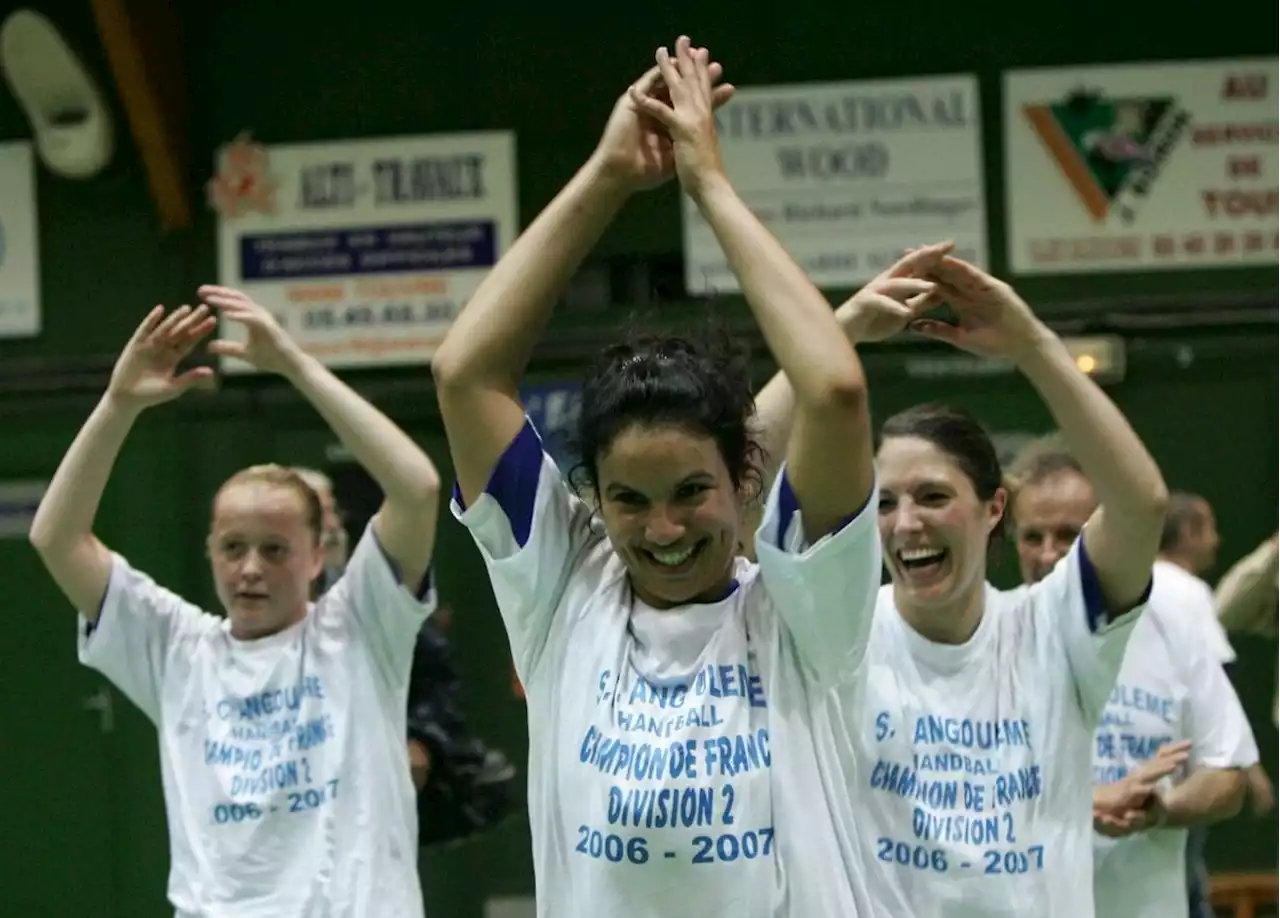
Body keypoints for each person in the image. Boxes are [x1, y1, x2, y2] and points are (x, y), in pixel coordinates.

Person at [431, 36, 888, 917]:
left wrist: (709, 185)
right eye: (629, 501)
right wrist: (605, 175)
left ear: (744, 480)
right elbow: (465, 375)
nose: (664, 529)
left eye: (691, 493)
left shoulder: (802, 613)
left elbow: (832, 388)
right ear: (593, 501)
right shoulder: (563, 591)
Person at [755, 246, 1170, 916]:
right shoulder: (838, 635)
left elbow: (1142, 504)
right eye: (885, 503)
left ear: (993, 508)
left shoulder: (1053, 629)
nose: (906, 523)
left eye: (933, 496)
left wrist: (1032, 344)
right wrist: (839, 334)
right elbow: (733, 484)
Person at [29, 288, 441, 917]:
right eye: (233, 547)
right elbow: (56, 538)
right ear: (211, 551)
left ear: (318, 554)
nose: (250, 568)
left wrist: (296, 365)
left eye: (275, 550)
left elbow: (416, 486)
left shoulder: (360, 626)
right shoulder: (176, 647)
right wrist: (117, 404)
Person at [1007, 434, 1255, 918]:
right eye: (1032, 537)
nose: (1047, 555)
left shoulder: (1176, 626)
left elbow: (1228, 773)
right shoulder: (991, 635)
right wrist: (1084, 804)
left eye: (1068, 535)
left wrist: (1163, 809)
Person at [294, 466, 519, 847]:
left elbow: (439, 677)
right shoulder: (257, 617)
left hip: (379, 787)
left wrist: (422, 741)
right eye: (318, 513)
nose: (332, 524)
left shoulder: (374, 590)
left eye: (332, 510)